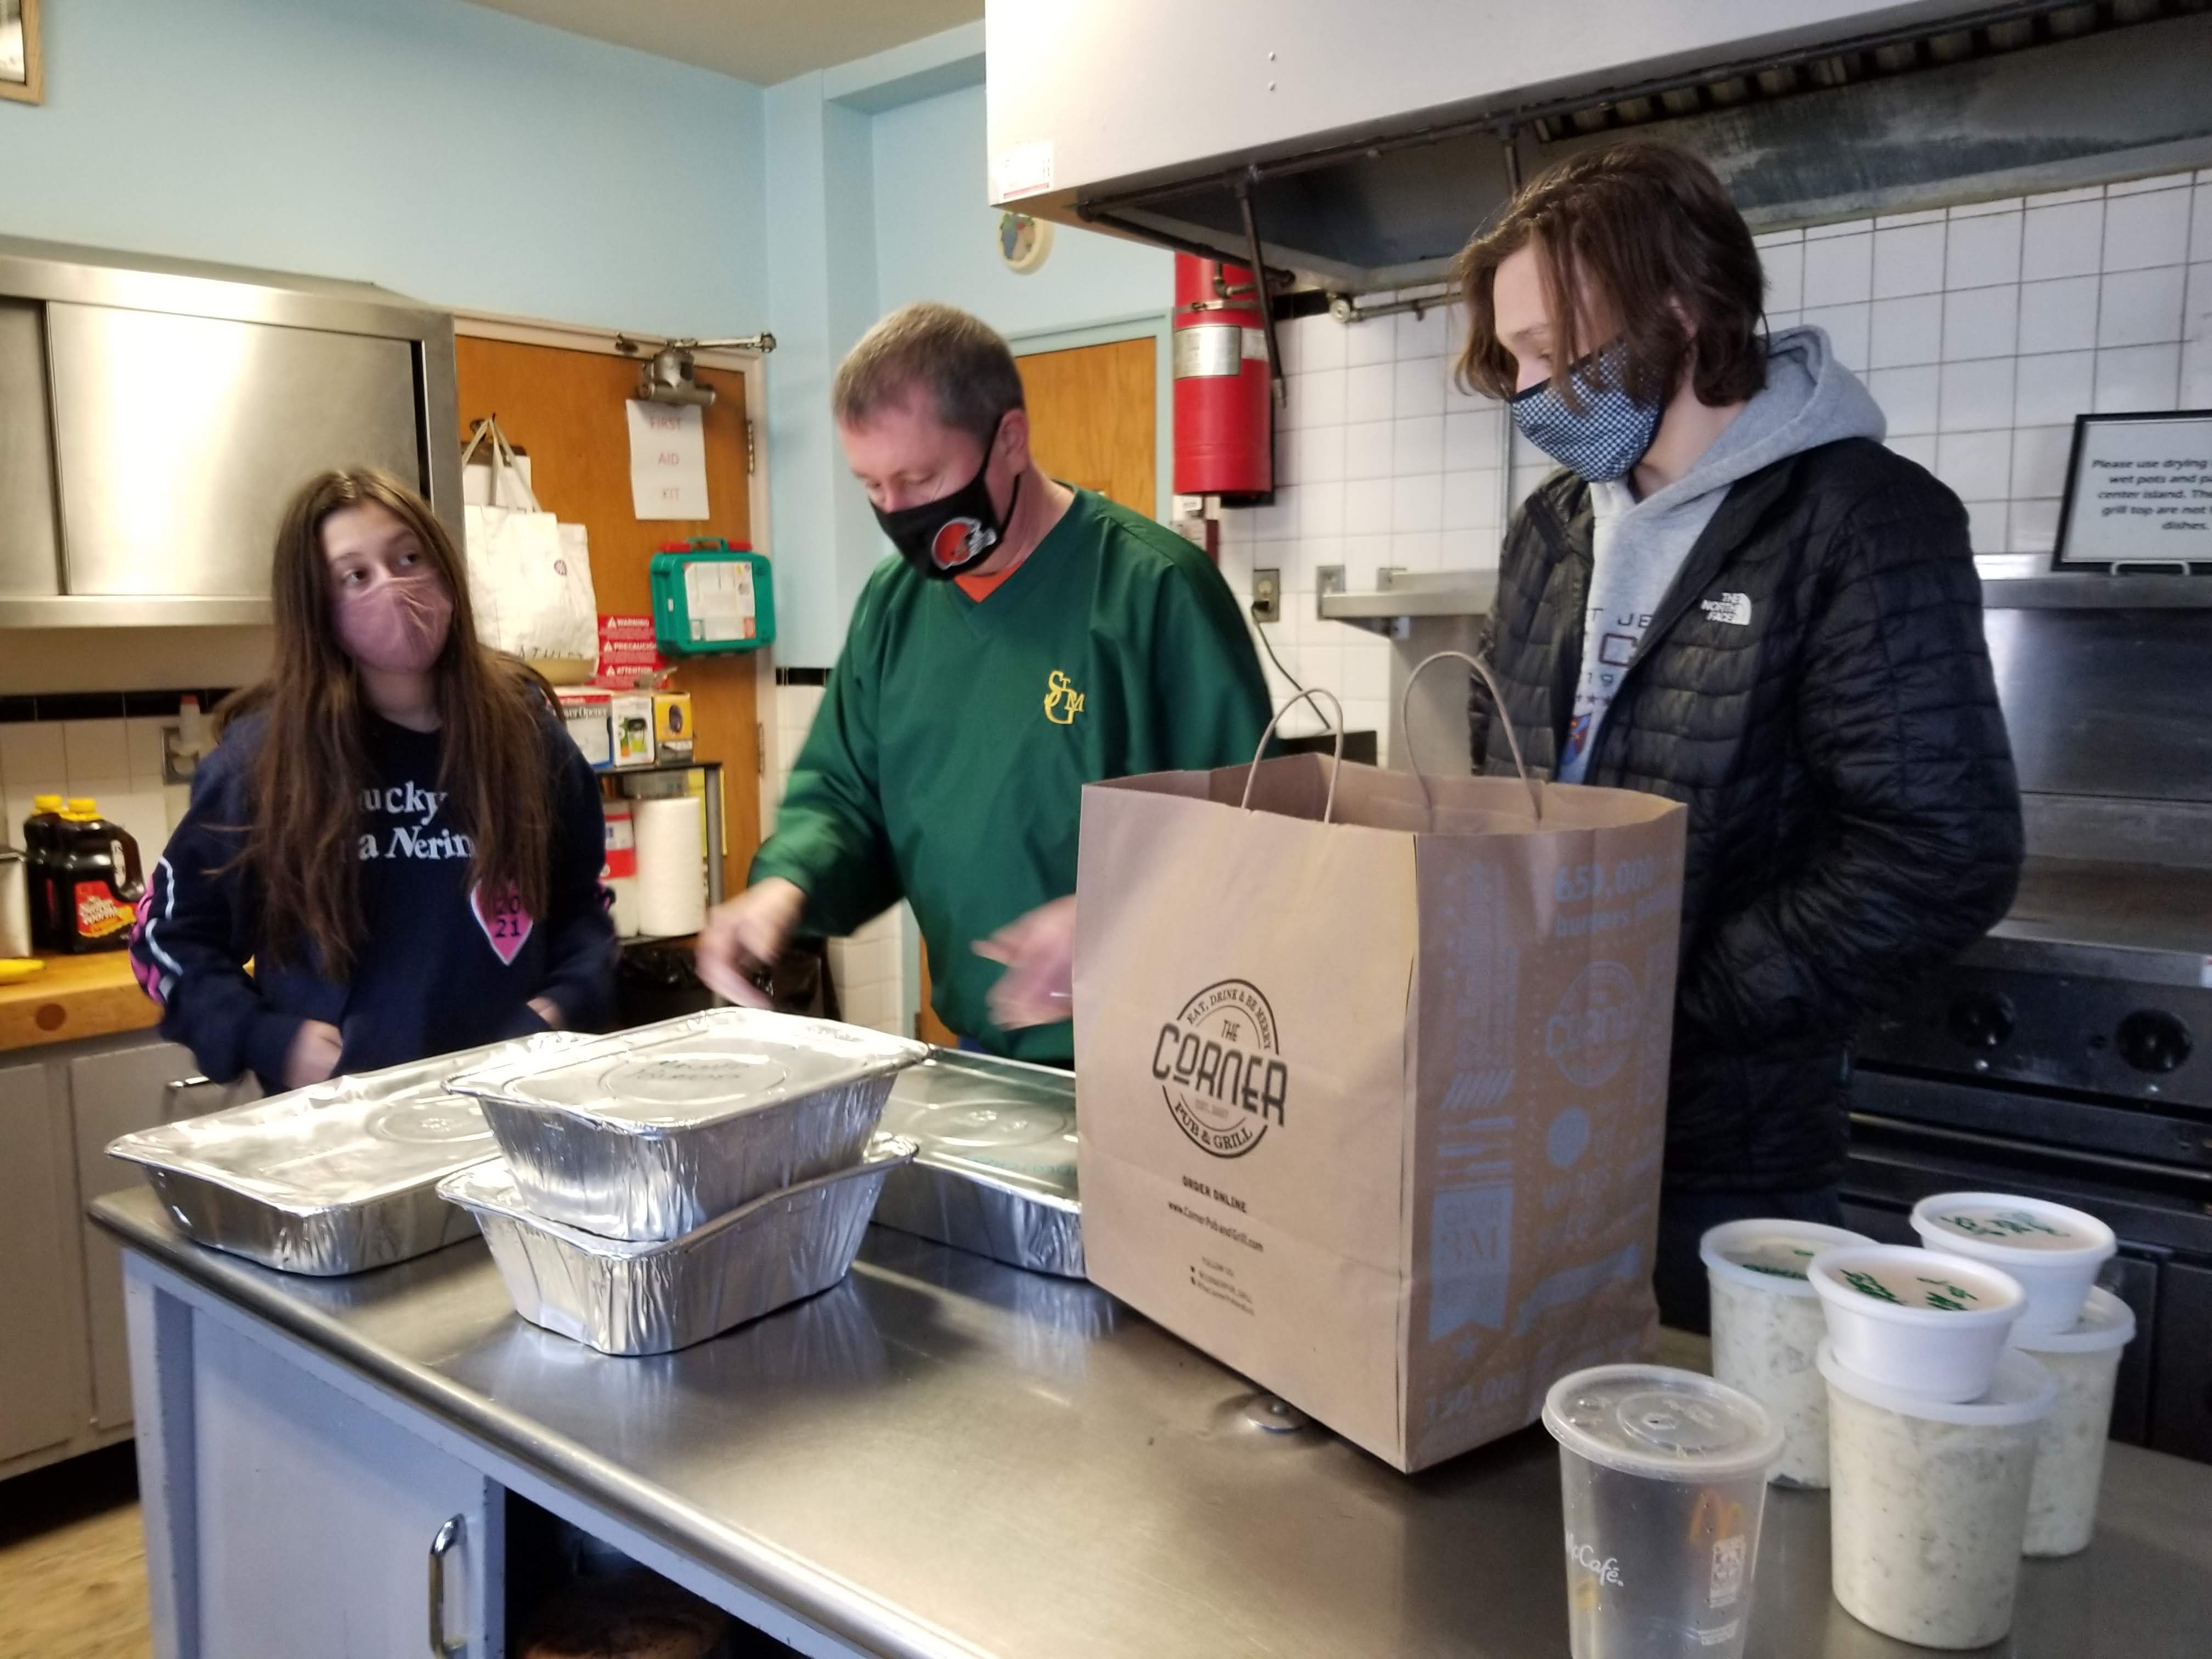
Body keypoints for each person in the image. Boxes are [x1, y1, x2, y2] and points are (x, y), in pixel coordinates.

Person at [1453, 143, 2023, 1330]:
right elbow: (1498, 758)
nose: (1529, 392)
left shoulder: (1861, 520)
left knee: (1717, 1485)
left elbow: (1942, 847)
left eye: (1555, 354)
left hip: (1730, 1150)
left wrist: (1676, 1000)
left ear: (1679, 313)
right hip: (1538, 1115)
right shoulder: (1553, 526)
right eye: (1513, 361)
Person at [696, 302, 1272, 1062]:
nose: (898, 513)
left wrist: (1111, 916)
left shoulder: (1154, 592)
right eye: (872, 488)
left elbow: (1257, 840)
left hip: (1164, 1058)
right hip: (984, 1054)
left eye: (921, 477)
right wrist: (789, 883)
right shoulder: (894, 606)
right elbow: (846, 799)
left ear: (1009, 440)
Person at [130, 468, 616, 1092]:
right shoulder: (265, 761)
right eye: (355, 576)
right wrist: (266, 1038)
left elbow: (583, 907)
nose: (394, 587)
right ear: (317, 607)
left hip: (515, 1113)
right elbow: (167, 940)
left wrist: (560, 1008)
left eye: (409, 557)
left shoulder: (524, 736)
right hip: (343, 1135)